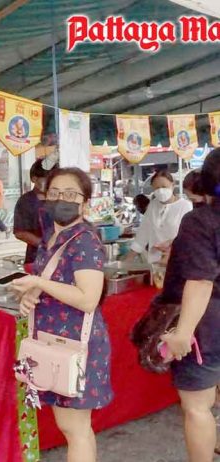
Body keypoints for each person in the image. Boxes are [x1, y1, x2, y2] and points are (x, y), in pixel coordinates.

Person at [11, 167, 112, 462]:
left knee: (75, 428)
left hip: (76, 344)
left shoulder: (84, 240)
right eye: (54, 193)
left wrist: (39, 283)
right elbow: (55, 281)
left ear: (85, 202)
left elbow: (88, 299)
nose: (61, 200)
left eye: (70, 194)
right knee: (73, 428)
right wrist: (32, 293)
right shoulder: (52, 236)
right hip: (54, 340)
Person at [157, 147, 220, 462]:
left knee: (197, 407)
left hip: (208, 324)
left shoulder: (200, 221)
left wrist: (183, 333)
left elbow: (200, 281)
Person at [126, 170, 192, 263]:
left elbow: (190, 236)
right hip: (155, 261)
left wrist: (170, 244)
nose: (161, 191)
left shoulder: (185, 206)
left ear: (172, 185)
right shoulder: (153, 205)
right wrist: (128, 260)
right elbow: (143, 234)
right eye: (157, 188)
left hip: (178, 260)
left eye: (164, 187)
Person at [13, 160, 53, 267]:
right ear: (34, 179)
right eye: (46, 179)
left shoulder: (58, 199)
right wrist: (45, 245)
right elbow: (20, 232)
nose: (50, 183)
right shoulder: (25, 201)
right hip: (36, 258)